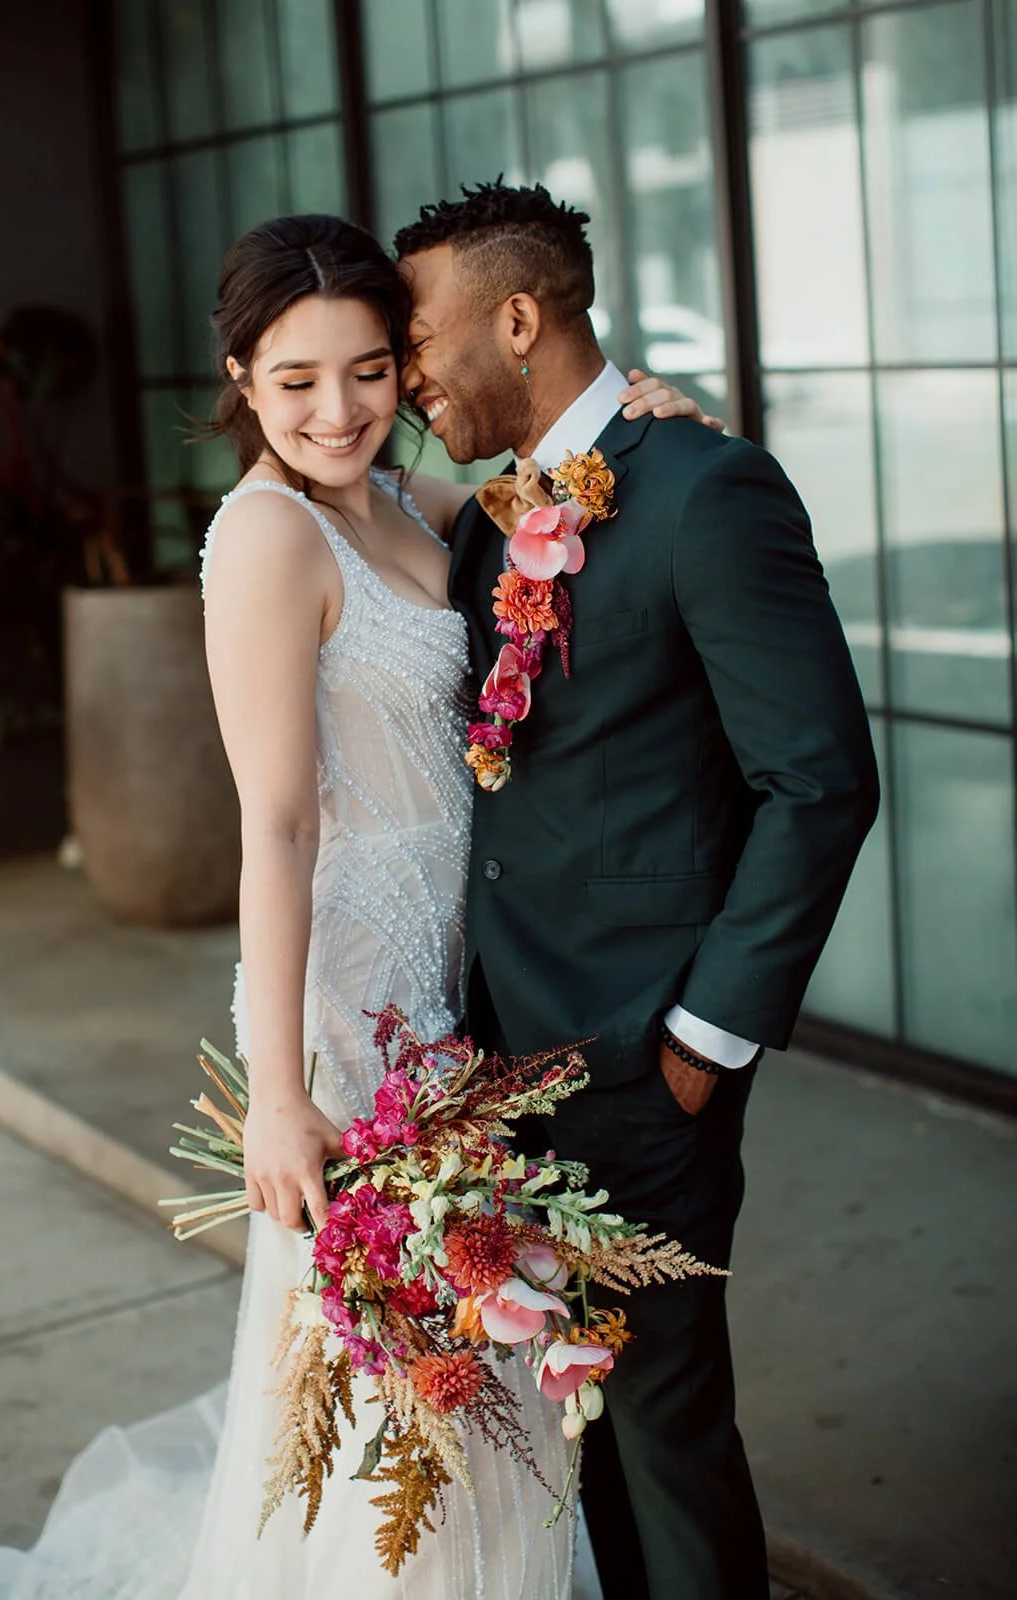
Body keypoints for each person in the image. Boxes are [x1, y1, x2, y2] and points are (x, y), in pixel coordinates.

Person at [0, 212, 707, 1600]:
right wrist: (285, 1088)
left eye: (368, 371)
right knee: (402, 1381)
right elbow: (278, 820)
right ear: (241, 378)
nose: (338, 410)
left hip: (444, 988)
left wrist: (643, 415)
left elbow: (545, 492)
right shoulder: (265, 540)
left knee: (470, 1363)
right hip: (345, 1012)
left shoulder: (399, 504)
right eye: (295, 380)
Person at [393, 180, 880, 1600]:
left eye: (416, 340)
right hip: (494, 1064)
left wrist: (702, 1042)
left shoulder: (705, 487)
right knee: (571, 1431)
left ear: (520, 316)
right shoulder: (488, 513)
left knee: (660, 1429)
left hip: (638, 1059)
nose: (407, 377)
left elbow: (818, 779)